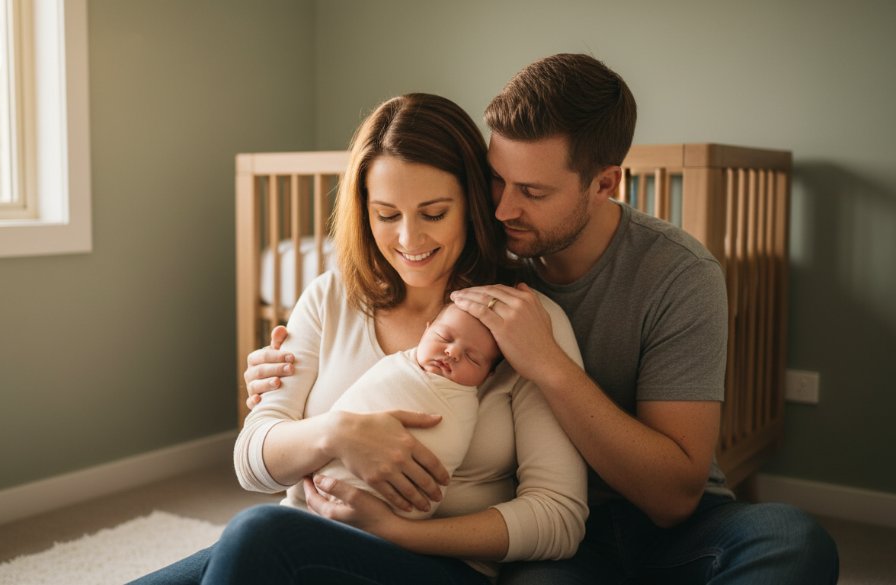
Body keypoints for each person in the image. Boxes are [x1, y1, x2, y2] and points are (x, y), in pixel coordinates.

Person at [248, 55, 840, 584]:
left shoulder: (673, 275)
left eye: (531, 191)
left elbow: (672, 499)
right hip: (551, 536)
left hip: (647, 521)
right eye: (495, 181)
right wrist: (297, 403)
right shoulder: (476, 270)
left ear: (605, 184)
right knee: (242, 548)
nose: (503, 208)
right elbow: (269, 442)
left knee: (791, 539)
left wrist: (549, 366)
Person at [132, 92, 588, 585]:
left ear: (472, 205)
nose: (409, 240)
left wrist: (399, 532)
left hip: (436, 564)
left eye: (434, 213)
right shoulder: (330, 298)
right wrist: (339, 433)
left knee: (259, 532)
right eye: (387, 215)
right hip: (301, 536)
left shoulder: (522, 322)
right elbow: (252, 463)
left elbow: (558, 519)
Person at [316, 302, 501, 520]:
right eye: (444, 337)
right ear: (426, 330)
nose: (452, 352)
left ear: (488, 375)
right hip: (324, 490)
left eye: (472, 357)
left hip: (400, 523)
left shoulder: (464, 404)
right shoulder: (397, 366)